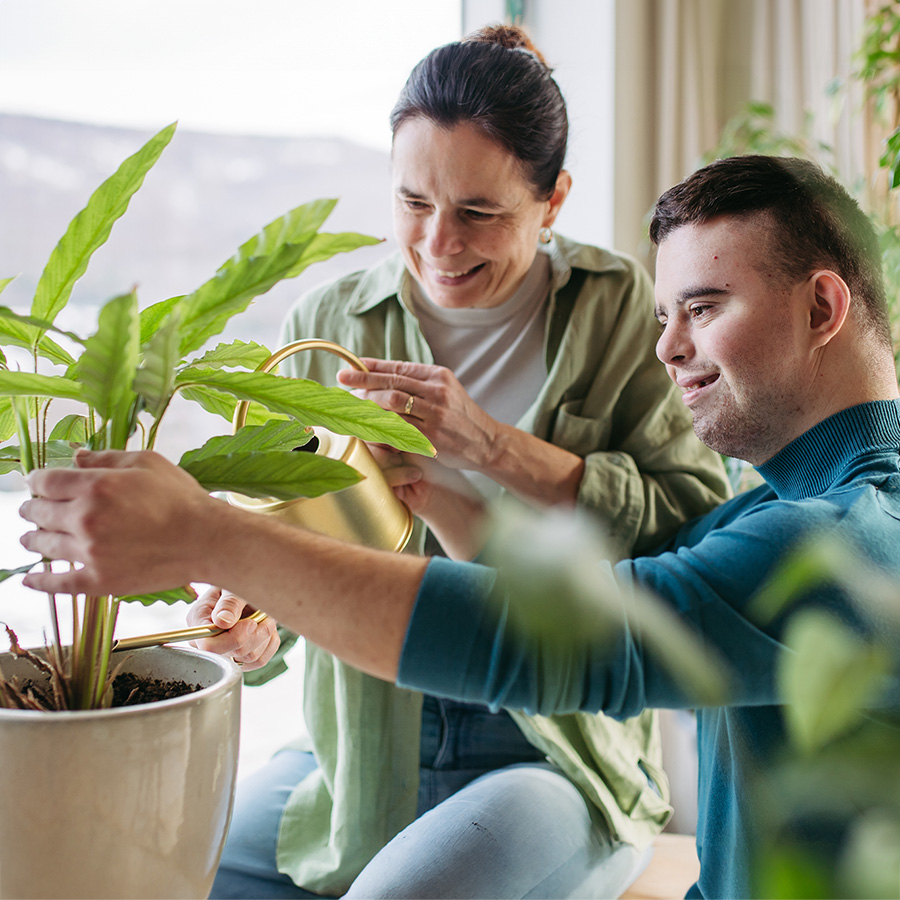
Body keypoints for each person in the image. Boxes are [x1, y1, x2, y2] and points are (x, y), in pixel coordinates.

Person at [20, 154, 900, 899]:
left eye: (703, 308)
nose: (668, 348)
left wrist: (209, 534)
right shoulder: (775, 511)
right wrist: (429, 500)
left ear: (822, 309)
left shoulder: (848, 537)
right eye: (668, 314)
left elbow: (572, 638)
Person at [182, 24, 728, 900]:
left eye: (478, 212)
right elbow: (280, 556)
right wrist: (254, 624)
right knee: (171, 874)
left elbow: (695, 526)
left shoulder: (625, 309)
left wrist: (489, 444)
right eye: (412, 202)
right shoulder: (331, 325)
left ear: (552, 202)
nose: (439, 243)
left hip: (551, 741)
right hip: (363, 745)